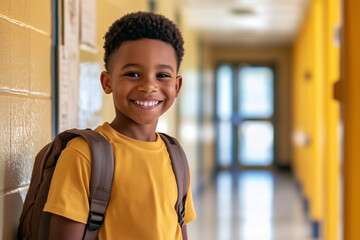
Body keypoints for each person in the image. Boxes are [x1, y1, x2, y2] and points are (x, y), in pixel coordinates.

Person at [43, 11, 196, 239]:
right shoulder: (83, 156)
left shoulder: (176, 157)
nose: (149, 86)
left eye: (162, 75)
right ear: (107, 82)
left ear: (177, 86)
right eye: (133, 74)